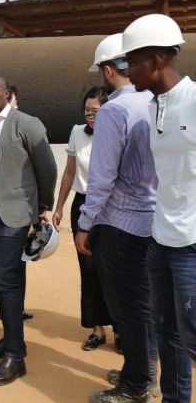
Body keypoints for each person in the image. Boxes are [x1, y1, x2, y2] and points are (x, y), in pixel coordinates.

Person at [74, 33, 159, 403]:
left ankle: (136, 386)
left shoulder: (113, 110)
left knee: (128, 307)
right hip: (156, 222)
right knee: (146, 303)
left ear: (109, 70)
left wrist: (85, 223)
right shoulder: (154, 102)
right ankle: (144, 372)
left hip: (121, 225)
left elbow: (102, 177)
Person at [122, 14, 196, 403]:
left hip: (192, 244)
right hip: (161, 239)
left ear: (155, 60)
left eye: (131, 62)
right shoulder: (153, 108)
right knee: (166, 333)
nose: (126, 71)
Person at [0, 73, 57, 386]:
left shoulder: (26, 123)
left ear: (7, 93)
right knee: (0, 277)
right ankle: (10, 341)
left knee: (7, 280)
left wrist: (41, 208)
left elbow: (47, 168)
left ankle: (15, 357)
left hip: (15, 214)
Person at [51, 87, 112, 351]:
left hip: (113, 207)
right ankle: (97, 329)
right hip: (83, 203)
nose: (90, 116)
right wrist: (59, 206)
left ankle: (121, 327)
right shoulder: (77, 132)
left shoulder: (116, 132)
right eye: (87, 111)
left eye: (95, 111)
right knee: (88, 269)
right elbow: (69, 172)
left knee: (114, 269)